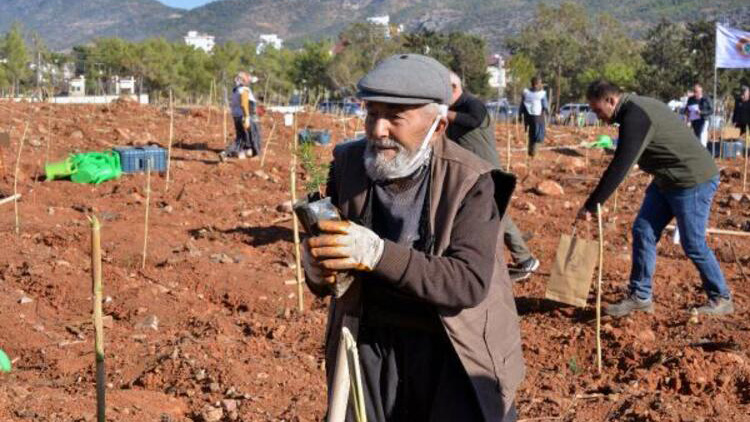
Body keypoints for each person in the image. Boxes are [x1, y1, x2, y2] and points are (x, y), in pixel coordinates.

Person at [302, 54, 525, 422]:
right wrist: (317, 269)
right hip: (371, 340)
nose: (378, 130)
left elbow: (466, 284)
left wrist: (376, 253)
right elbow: (335, 264)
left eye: (395, 117)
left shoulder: (472, 182)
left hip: (450, 347)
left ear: (437, 126)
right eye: (372, 113)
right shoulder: (347, 164)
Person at [578, 80, 733, 317]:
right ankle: (640, 296)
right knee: (643, 230)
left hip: (691, 179)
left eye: (598, 110)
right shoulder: (633, 110)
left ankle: (721, 297)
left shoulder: (635, 116)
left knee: (692, 243)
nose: (598, 116)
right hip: (666, 179)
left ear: (611, 100)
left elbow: (620, 166)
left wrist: (592, 204)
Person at [447, 72, 540, 281]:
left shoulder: (472, 104)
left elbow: (473, 120)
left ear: (454, 88)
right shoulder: (453, 109)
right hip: (470, 174)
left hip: (488, 173)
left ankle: (526, 260)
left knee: (498, 216)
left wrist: (443, 113)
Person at [220, 71, 261, 161]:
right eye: (247, 79)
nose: (249, 80)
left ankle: (226, 153)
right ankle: (256, 155)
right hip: (247, 117)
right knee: (254, 136)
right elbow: (244, 103)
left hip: (237, 117)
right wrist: (246, 117)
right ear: (243, 80)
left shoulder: (235, 90)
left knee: (240, 139)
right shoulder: (244, 90)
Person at [519, 76, 549, 157]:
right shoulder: (541, 94)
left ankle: (530, 151)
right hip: (538, 117)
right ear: (538, 84)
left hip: (528, 117)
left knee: (531, 133)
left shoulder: (526, 93)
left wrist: (520, 115)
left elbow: (522, 105)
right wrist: (547, 112)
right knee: (538, 135)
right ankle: (534, 153)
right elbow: (545, 105)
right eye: (540, 83)